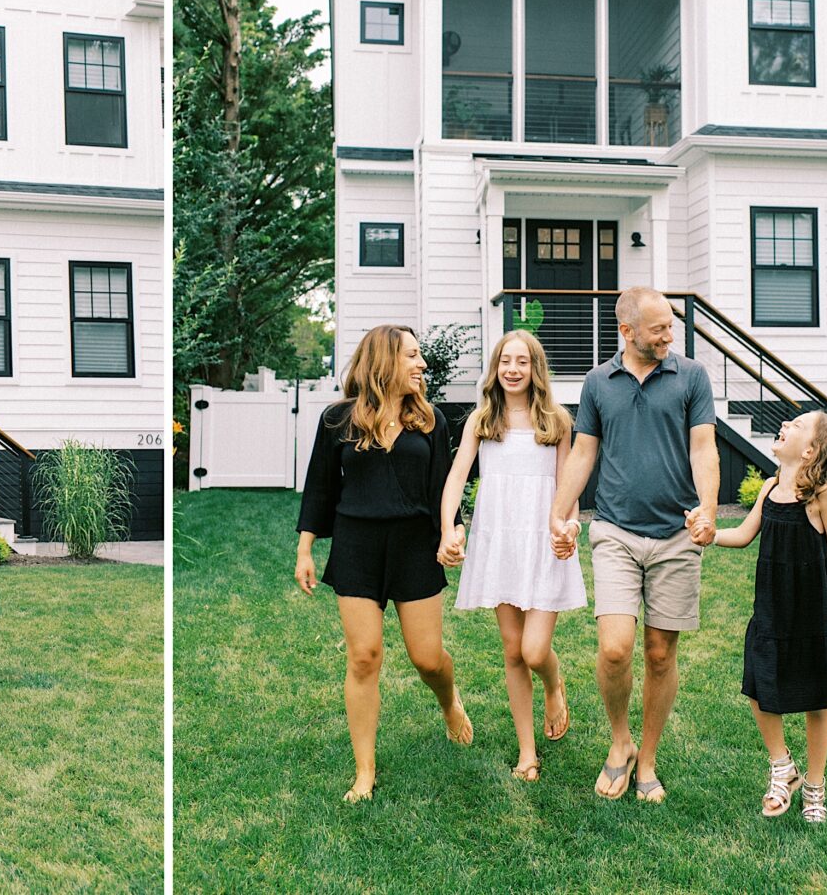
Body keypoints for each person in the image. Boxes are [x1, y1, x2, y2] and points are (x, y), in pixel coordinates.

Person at [548, 287, 719, 804]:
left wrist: (707, 508)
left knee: (661, 654)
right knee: (616, 648)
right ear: (627, 332)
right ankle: (619, 739)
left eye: (671, 325)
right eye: (659, 328)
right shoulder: (599, 382)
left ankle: (646, 756)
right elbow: (582, 454)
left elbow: (704, 448)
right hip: (616, 532)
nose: (670, 335)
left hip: (675, 534)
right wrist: (559, 515)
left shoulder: (691, 377)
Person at [295, 324, 472, 804]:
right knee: (364, 655)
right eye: (412, 356)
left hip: (415, 546)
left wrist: (452, 532)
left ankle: (449, 703)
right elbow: (320, 486)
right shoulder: (338, 420)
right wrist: (306, 548)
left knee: (427, 658)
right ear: (384, 360)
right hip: (357, 546)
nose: (421, 365)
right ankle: (365, 771)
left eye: (420, 357)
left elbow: (443, 491)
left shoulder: (431, 420)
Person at [713, 411, 827, 822]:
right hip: (772, 606)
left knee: (818, 696)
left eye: (796, 426)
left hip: (813, 607)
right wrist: (710, 535)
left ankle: (815, 786)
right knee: (759, 684)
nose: (784, 425)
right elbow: (745, 534)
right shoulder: (768, 488)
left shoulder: (822, 495)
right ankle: (783, 766)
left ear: (810, 451)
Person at [438, 330, 585, 782]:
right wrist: (449, 529)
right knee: (512, 650)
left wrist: (570, 526)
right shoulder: (482, 421)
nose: (513, 369)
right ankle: (527, 751)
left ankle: (554, 685)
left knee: (535, 649)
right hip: (499, 540)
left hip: (543, 540)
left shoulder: (557, 421)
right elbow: (456, 476)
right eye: (505, 361)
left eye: (522, 361)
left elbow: (569, 485)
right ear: (495, 368)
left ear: (535, 368)